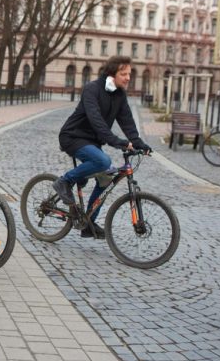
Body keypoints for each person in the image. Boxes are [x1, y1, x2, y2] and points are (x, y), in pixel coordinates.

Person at [52, 55, 152, 238]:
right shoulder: (92, 89)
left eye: (129, 74)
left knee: (106, 178)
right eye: (124, 74)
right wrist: (117, 142)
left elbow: (127, 122)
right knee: (103, 161)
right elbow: (96, 120)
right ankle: (64, 181)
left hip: (92, 142)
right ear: (112, 73)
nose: (128, 77)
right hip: (72, 136)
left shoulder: (120, 94)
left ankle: (88, 223)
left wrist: (139, 144)